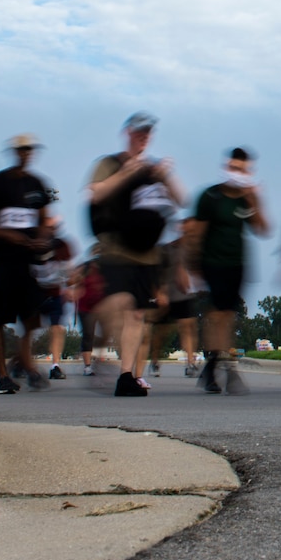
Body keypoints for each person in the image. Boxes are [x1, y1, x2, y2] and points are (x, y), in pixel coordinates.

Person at [84, 112, 183, 397]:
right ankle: (100, 332)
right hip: (116, 249)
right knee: (122, 304)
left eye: (148, 133)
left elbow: (180, 200)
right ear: (127, 132)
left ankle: (126, 375)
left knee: (137, 314)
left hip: (147, 254)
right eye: (138, 132)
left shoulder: (153, 169)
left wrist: (166, 176)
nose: (143, 137)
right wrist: (128, 171)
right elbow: (96, 194)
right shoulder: (109, 163)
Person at [185, 147, 269, 395]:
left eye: (242, 170)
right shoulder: (211, 197)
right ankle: (223, 369)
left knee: (228, 316)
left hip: (238, 263)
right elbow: (196, 233)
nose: (238, 174)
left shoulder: (245, 198)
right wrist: (194, 267)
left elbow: (262, 228)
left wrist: (254, 199)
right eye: (234, 168)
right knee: (219, 315)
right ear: (226, 168)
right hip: (214, 262)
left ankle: (213, 367)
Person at [0, 135, 54, 395]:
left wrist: (41, 238)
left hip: (28, 262)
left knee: (32, 316)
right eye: (21, 150)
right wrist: (6, 235)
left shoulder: (37, 183)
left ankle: (24, 362)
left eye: (29, 150)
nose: (25, 154)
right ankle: (3, 375)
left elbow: (44, 220)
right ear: (14, 152)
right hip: (2, 259)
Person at [147, 242, 202, 379]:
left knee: (188, 327)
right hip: (166, 293)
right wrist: (157, 291)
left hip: (184, 293)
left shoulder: (189, 247)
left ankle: (190, 363)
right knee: (161, 332)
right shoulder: (163, 248)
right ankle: (154, 361)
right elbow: (155, 270)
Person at [31, 221, 75, 380]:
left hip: (55, 292)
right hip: (36, 292)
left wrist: (69, 287)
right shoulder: (33, 245)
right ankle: (24, 362)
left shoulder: (61, 247)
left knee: (58, 329)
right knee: (30, 327)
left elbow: (68, 270)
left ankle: (55, 365)